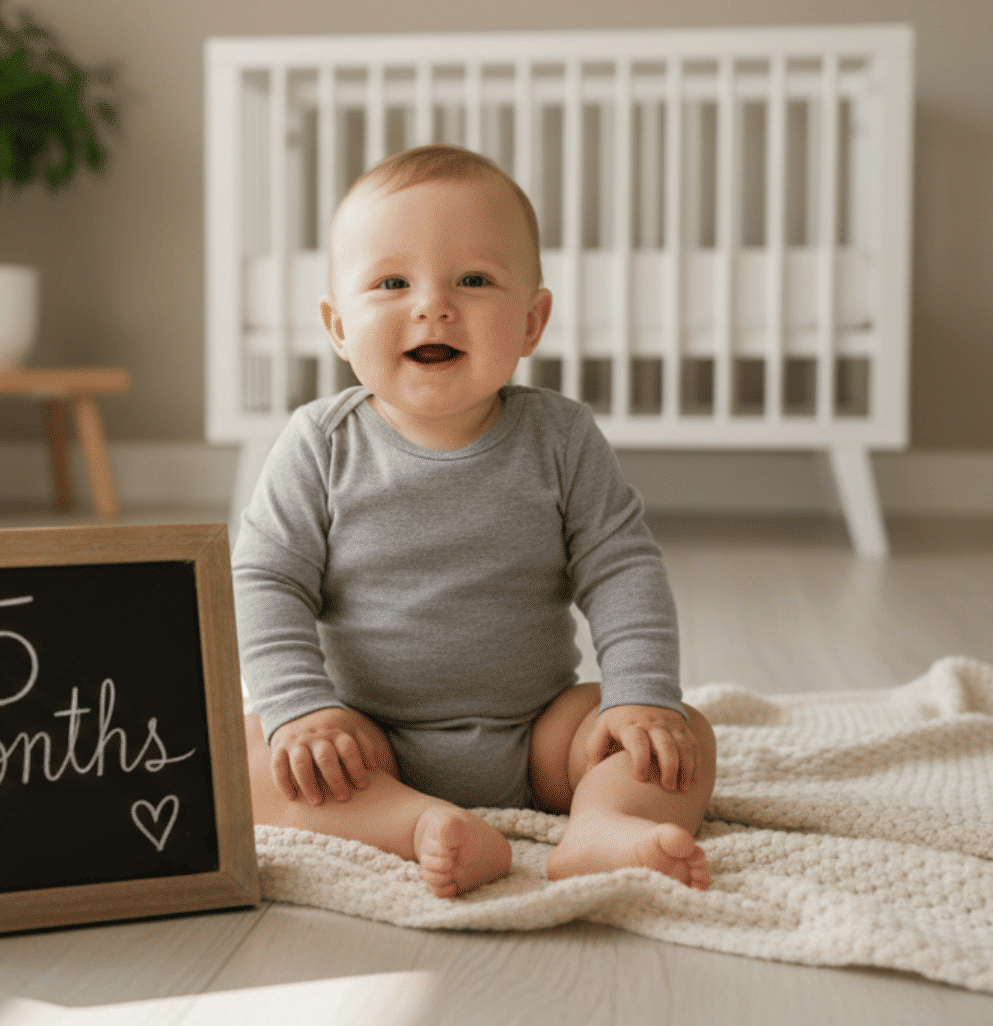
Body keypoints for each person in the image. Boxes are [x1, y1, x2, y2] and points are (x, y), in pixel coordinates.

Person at [233, 145, 716, 900]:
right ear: (337, 326)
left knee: (677, 735)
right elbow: (264, 578)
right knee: (248, 752)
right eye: (392, 282)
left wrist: (639, 695)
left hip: (537, 737)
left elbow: (622, 567)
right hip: (366, 739)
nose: (433, 305)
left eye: (474, 280)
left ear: (532, 320)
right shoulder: (319, 444)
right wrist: (304, 708)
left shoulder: (561, 437)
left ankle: (601, 823)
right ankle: (419, 824)